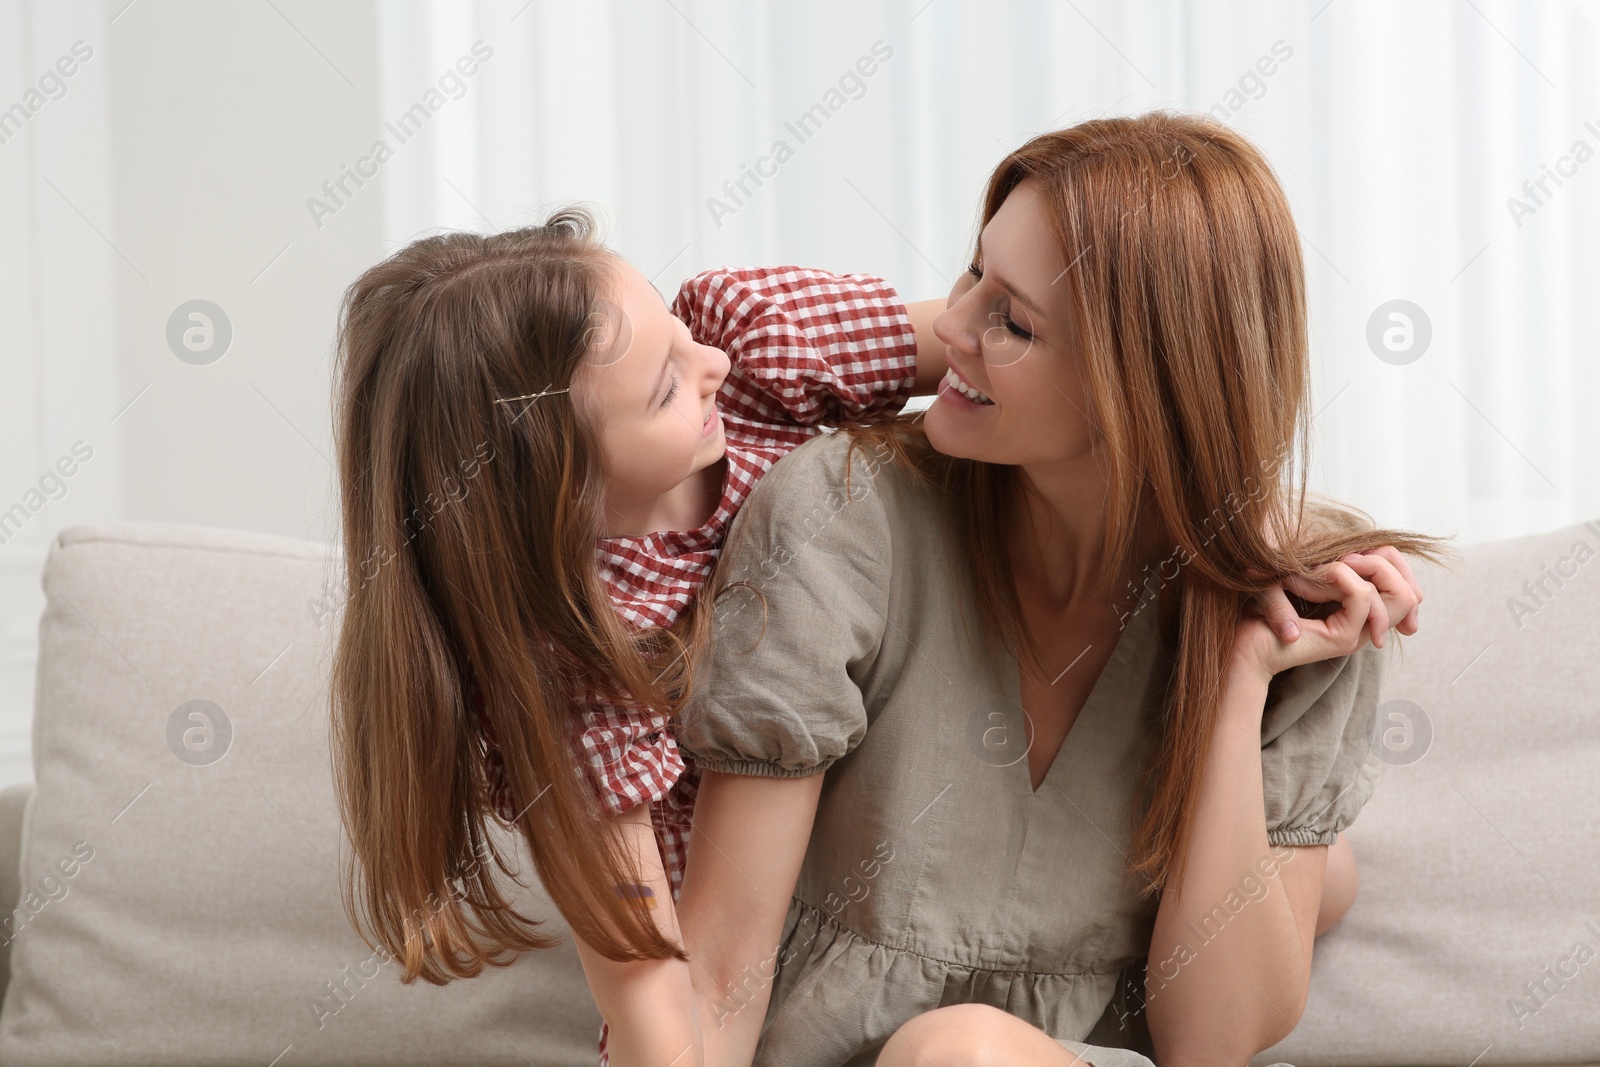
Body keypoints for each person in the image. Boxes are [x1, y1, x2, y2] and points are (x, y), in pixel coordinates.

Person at [672, 112, 1454, 1066]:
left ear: (1143, 384)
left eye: (1013, 319)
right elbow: (715, 972)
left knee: (957, 1051)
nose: (948, 328)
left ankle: (1324, 876)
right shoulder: (841, 514)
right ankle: (1326, 877)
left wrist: (1239, 677)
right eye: (973, 273)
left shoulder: (1307, 600)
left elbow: (1213, 1043)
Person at [324, 210, 956, 1066]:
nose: (712, 365)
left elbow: (985, 343)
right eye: (665, 388)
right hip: (775, 946)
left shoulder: (754, 346)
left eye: (676, 329)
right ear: (562, 486)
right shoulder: (575, 655)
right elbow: (647, 973)